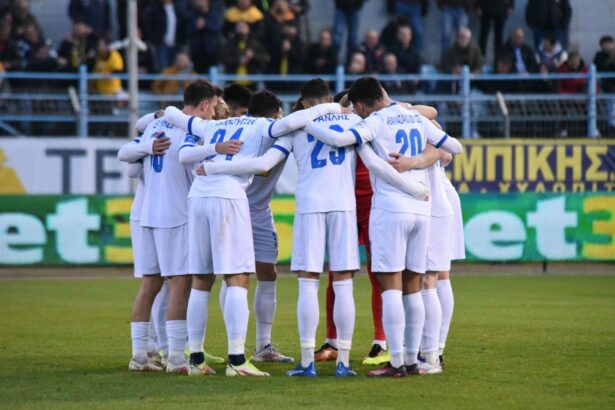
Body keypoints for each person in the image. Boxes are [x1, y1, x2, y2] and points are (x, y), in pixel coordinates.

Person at [196, 79, 429, 377]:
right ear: (330, 98)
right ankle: (344, 362)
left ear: (304, 103)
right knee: (343, 282)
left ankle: (307, 361)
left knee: (308, 282)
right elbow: (375, 163)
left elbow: (264, 163)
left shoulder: (297, 126)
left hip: (309, 205)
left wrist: (214, 167)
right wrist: (414, 189)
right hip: (344, 206)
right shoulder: (353, 121)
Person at [162, 89, 346, 377]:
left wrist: (162, 115)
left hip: (197, 197)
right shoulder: (266, 126)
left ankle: (196, 360)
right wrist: (333, 107)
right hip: (229, 196)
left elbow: (174, 115)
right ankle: (237, 361)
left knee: (201, 279)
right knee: (237, 278)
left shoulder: (214, 125)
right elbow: (287, 132)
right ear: (274, 114)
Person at [304, 77, 462, 377]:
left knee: (391, 287)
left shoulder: (374, 122)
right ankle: (415, 361)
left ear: (361, 106)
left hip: (390, 209)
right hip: (422, 208)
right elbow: (454, 146)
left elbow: (340, 140)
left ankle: (397, 362)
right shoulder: (415, 117)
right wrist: (415, 161)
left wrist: (306, 123)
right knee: (414, 287)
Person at [118, 80, 240, 374]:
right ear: (204, 105)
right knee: (180, 285)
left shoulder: (155, 127)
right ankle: (175, 358)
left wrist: (147, 149)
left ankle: (139, 356)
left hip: (148, 215)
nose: (214, 112)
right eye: (213, 106)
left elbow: (129, 161)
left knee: (149, 285)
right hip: (176, 215)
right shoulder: (192, 131)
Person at [142, 0, 187, 72]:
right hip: (161, 46)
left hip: (176, 46)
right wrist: (156, 41)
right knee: (163, 70)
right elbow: (150, 28)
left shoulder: (178, 9)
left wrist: (180, 42)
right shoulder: (155, 9)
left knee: (176, 69)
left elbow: (183, 27)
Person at [221, 22, 269, 87]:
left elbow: (264, 58)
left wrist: (252, 56)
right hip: (233, 81)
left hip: (251, 82)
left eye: (243, 27)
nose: (241, 29)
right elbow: (224, 59)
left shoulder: (255, 43)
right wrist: (239, 61)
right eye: (239, 27)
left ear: (249, 29)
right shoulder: (229, 43)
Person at [187, 0, 224, 73]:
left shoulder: (214, 15)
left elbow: (217, 29)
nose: (199, 2)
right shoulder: (192, 16)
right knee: (197, 74)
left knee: (212, 73)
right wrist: (196, 27)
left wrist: (205, 25)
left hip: (211, 51)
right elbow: (188, 30)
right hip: (196, 51)